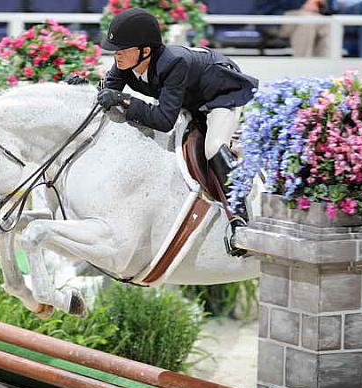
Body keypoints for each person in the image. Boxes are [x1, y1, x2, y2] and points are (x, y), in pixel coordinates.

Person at [96, 8, 259, 256]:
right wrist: (91, 90)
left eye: (122, 49)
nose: (115, 54)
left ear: (145, 51)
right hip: (191, 99)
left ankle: (240, 221)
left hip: (220, 95)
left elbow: (163, 120)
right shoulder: (125, 61)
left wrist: (126, 100)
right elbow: (109, 91)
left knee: (213, 146)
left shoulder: (174, 62)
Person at [255, 0, 331, 57]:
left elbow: (330, 8)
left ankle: (325, 70)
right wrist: (305, 4)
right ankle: (303, 67)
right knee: (307, 21)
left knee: (327, 24)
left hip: (308, 15)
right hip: (274, 19)